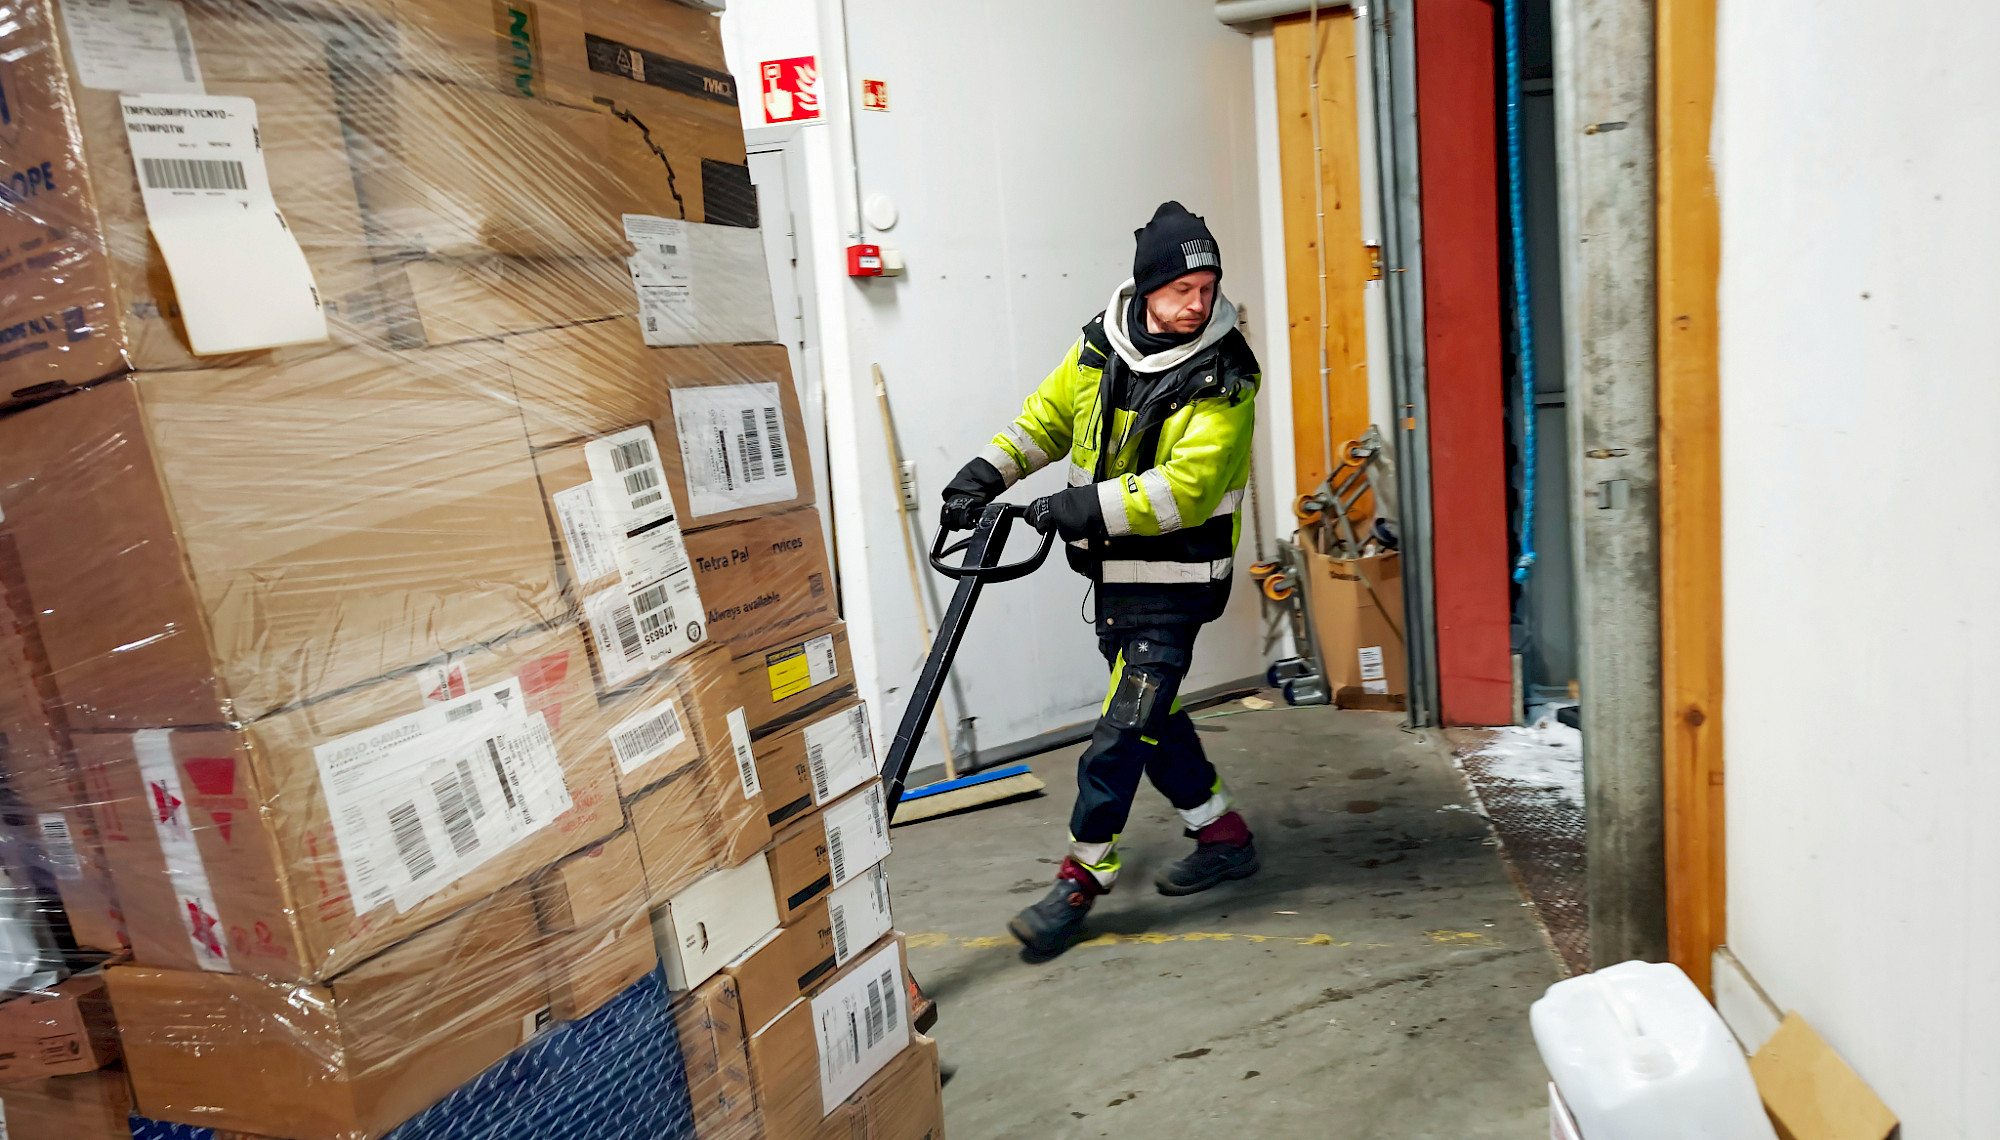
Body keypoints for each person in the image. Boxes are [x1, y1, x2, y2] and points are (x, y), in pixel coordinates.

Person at [940, 201, 1262, 958]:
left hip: (1179, 585)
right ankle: (1222, 833)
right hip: (1116, 580)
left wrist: (1075, 508)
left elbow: (1185, 489)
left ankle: (1082, 878)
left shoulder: (1226, 374)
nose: (1198, 303)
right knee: (1153, 718)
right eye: (1183, 290)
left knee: (1118, 737)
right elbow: (1046, 422)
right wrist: (982, 474)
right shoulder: (1099, 348)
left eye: (1208, 288)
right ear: (1147, 288)